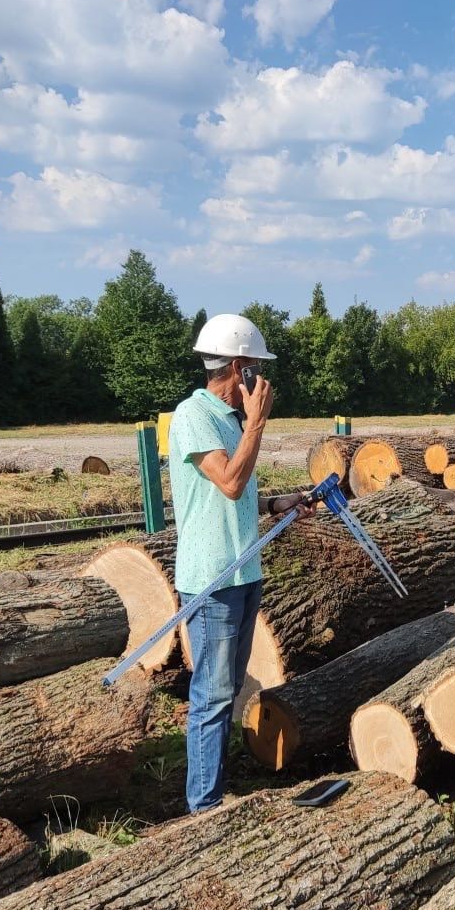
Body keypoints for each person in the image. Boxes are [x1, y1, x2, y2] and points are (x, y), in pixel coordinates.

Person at [169, 313, 312, 814]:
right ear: (238, 368)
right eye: (254, 367)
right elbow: (228, 482)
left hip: (244, 572)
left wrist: (279, 504)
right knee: (211, 693)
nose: (261, 379)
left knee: (227, 689)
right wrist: (256, 424)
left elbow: (240, 494)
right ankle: (203, 806)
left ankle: (215, 787)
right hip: (213, 578)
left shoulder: (230, 422)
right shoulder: (194, 415)